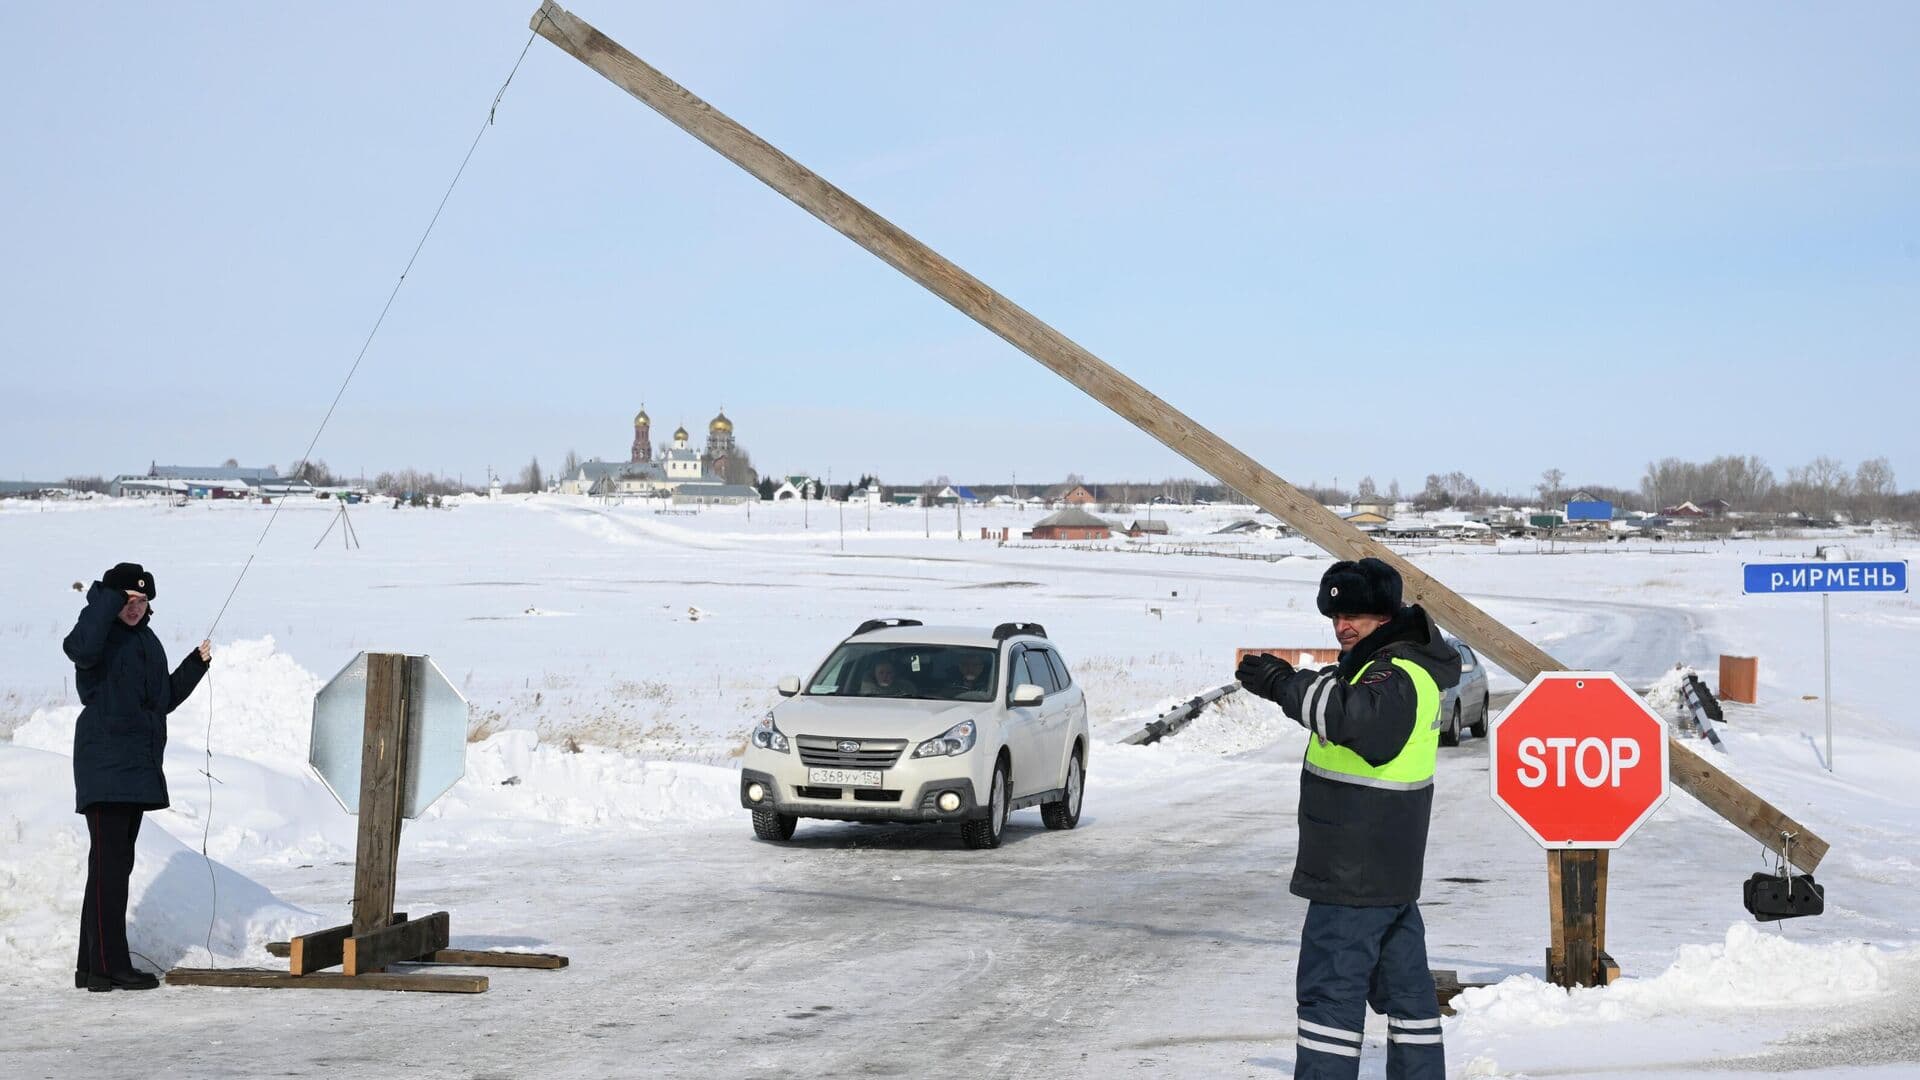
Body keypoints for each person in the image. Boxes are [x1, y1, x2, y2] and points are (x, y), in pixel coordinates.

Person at [1235, 557, 1458, 1080]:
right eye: (1336, 617)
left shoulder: (1396, 673)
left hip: (1353, 878)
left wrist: (1281, 683)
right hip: (1385, 877)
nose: (1343, 626)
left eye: (1355, 614)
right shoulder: (1390, 667)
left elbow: (1349, 717)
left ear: (1386, 614)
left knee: (1329, 1005)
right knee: (1409, 1001)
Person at [62, 562, 211, 992]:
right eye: (127, 600)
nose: (134, 608)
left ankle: (92, 967)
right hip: (105, 764)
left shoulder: (147, 640)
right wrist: (105, 599)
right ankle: (112, 966)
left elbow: (160, 700)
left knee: (110, 868)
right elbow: (78, 649)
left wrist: (194, 666)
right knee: (110, 870)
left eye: (141, 601)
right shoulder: (98, 636)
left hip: (135, 767)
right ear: (113, 600)